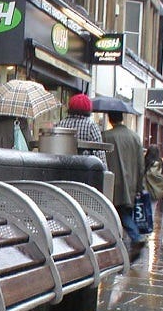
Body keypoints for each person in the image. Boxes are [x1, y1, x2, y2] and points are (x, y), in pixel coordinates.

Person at [102, 111, 145, 262]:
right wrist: (140, 186)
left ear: (110, 118)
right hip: (130, 185)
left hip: (113, 185)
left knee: (117, 215)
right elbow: (141, 165)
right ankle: (125, 243)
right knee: (124, 213)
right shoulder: (135, 137)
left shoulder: (106, 136)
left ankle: (135, 237)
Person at [57, 93, 106, 168]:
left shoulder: (61, 124)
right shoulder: (91, 126)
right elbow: (99, 155)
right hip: (85, 170)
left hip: (63, 168)